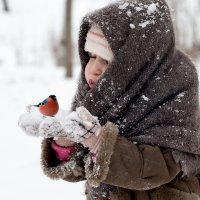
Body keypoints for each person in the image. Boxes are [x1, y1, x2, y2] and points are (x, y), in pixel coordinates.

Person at [19, 0, 200, 199]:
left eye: (105, 60)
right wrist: (66, 143)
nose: (93, 68)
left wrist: (101, 145)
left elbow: (160, 169)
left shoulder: (173, 89)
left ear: (134, 64)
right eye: (91, 56)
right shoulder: (98, 95)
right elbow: (83, 168)